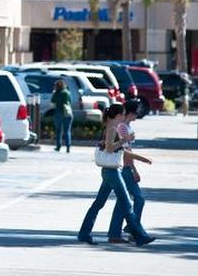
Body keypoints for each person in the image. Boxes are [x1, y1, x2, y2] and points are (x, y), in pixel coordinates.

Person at [78, 103, 155, 246]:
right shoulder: (112, 129)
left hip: (109, 171)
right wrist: (125, 140)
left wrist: (140, 158)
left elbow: (118, 151)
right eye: (123, 114)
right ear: (119, 115)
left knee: (98, 204)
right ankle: (140, 236)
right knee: (126, 204)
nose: (124, 116)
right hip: (112, 171)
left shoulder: (109, 127)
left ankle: (84, 233)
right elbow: (109, 148)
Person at [108, 99, 146, 244]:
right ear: (131, 112)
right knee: (139, 199)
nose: (138, 114)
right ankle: (132, 228)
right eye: (137, 111)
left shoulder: (127, 127)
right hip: (124, 168)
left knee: (122, 202)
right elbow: (125, 151)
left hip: (126, 167)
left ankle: (115, 233)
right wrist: (134, 169)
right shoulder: (122, 128)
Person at [51, 79, 73, 153]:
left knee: (58, 131)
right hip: (67, 113)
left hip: (59, 113)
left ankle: (58, 146)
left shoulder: (56, 93)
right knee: (67, 131)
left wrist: (54, 92)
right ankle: (68, 147)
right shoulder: (67, 93)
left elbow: (52, 101)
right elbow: (70, 101)